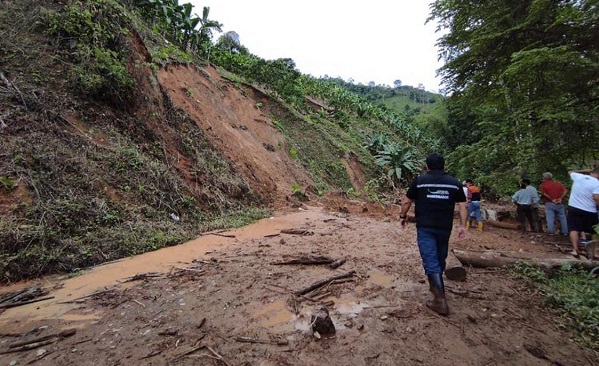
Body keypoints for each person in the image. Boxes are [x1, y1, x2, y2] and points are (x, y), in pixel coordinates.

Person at [399, 153, 467, 316]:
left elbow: (406, 201)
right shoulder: (454, 182)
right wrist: (463, 226)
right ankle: (436, 283)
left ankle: (439, 300)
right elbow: (463, 206)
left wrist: (402, 216)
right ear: (443, 166)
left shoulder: (420, 181)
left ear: (427, 166)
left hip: (425, 227)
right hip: (445, 228)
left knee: (430, 258)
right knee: (439, 257)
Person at [566, 168, 599, 259]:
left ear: (591, 173)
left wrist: (584, 171)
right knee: (594, 231)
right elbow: (596, 198)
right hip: (590, 210)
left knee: (574, 229)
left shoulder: (578, 177)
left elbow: (570, 172)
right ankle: (596, 252)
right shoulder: (597, 183)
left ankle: (575, 250)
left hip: (574, 208)